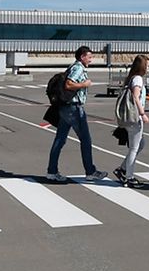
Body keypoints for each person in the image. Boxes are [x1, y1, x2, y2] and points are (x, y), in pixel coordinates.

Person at [46, 45, 108, 183]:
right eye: (89, 57)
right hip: (74, 108)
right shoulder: (78, 68)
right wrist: (84, 84)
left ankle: (52, 171)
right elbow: (69, 84)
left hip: (66, 108)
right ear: (82, 57)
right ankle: (90, 171)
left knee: (60, 140)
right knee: (85, 140)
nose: (91, 60)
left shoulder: (73, 66)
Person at [113, 54, 149, 187]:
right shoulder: (138, 79)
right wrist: (142, 113)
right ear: (142, 66)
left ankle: (122, 169)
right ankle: (129, 177)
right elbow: (136, 97)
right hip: (135, 118)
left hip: (130, 117)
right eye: (147, 65)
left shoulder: (131, 78)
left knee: (140, 144)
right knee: (134, 148)